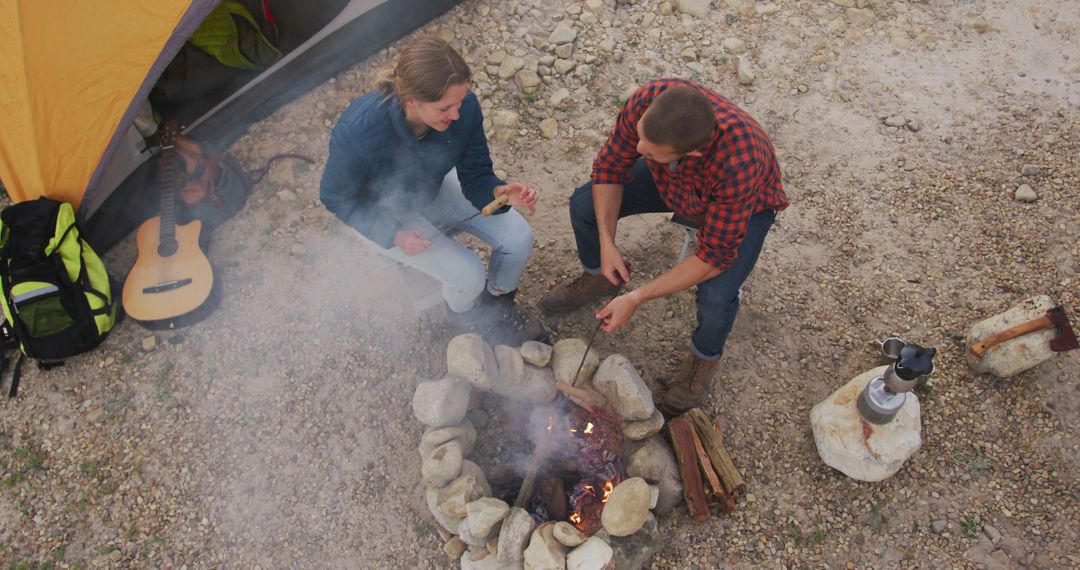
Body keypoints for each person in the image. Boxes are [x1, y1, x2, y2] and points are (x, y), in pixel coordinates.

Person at [540, 78, 789, 414]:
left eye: (649, 149)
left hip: (745, 206)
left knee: (717, 294)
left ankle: (703, 358)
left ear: (693, 153)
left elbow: (713, 256)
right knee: (583, 206)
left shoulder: (739, 161)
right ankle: (599, 276)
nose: (638, 149)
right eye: (641, 135)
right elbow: (610, 168)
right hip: (672, 180)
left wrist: (637, 296)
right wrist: (607, 243)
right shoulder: (651, 102)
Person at [320, 37, 546, 343]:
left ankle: (496, 307)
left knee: (519, 238)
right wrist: (393, 233)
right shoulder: (358, 131)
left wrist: (497, 193)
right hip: (384, 213)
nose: (456, 115)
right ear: (411, 101)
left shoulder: (463, 107)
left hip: (432, 189)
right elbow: (336, 197)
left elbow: (476, 174)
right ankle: (464, 318)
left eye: (459, 102)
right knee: (468, 275)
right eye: (444, 108)